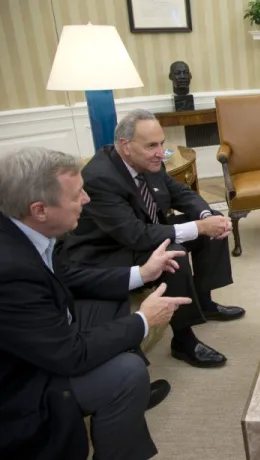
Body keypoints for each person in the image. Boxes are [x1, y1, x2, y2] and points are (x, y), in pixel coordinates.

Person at [0, 147, 191, 460]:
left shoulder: (27, 228)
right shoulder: (9, 271)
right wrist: (143, 320)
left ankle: (126, 409)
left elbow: (70, 278)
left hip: (42, 331)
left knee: (111, 304)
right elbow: (68, 355)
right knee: (127, 372)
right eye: (77, 195)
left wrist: (141, 274)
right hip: (20, 384)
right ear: (40, 209)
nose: (87, 200)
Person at [57, 109, 244, 368]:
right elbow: (134, 235)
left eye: (162, 144)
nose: (160, 152)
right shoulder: (100, 178)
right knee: (175, 252)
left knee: (213, 228)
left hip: (146, 232)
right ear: (125, 146)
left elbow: (179, 192)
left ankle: (205, 302)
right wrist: (199, 227)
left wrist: (206, 215)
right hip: (111, 249)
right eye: (152, 145)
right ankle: (183, 339)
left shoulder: (148, 161)